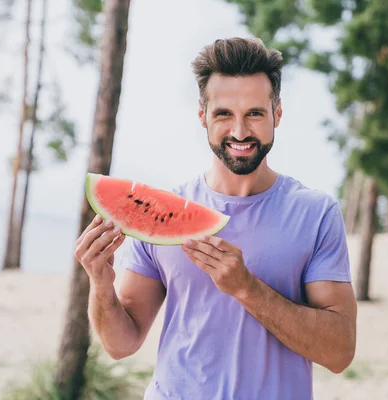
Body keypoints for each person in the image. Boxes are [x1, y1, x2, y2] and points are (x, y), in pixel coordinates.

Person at [74, 37, 357, 400]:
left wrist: (247, 288)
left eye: (255, 113)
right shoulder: (161, 212)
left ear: (278, 114)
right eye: (224, 113)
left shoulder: (316, 214)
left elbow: (339, 352)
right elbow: (121, 343)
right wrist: (100, 283)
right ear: (202, 115)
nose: (240, 132)